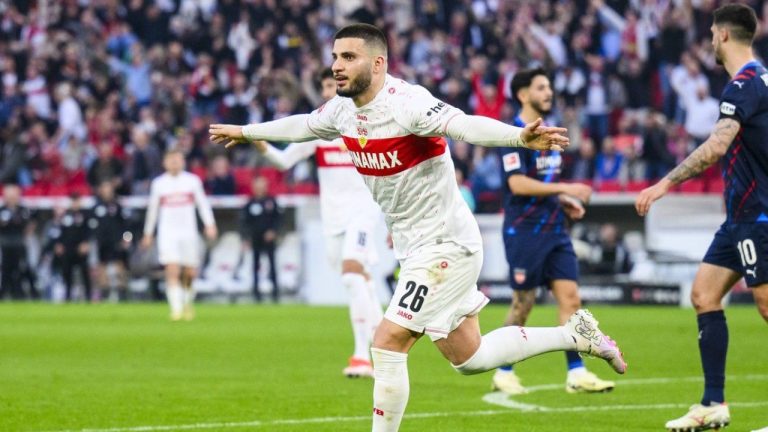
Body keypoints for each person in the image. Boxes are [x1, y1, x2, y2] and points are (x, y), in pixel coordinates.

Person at [210, 23, 625, 432]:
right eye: (335, 57)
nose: (337, 66)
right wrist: (247, 132)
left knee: (387, 341)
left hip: (446, 243)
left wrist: (519, 137)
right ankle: (575, 335)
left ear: (377, 64)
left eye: (348, 57)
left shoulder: (406, 103)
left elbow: (464, 124)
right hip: (415, 248)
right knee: (470, 358)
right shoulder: (341, 110)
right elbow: (302, 125)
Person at [635, 5, 768, 431]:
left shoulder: (742, 86)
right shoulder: (761, 79)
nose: (709, 39)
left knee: (766, 305)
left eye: (712, 32)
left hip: (757, 215)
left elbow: (715, 148)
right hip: (740, 217)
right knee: (704, 295)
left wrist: (662, 185)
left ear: (724, 36)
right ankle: (713, 403)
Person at [251, 68, 384, 377]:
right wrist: (261, 145)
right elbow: (284, 161)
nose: (330, 89)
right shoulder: (320, 128)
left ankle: (362, 355)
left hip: (364, 210)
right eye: (325, 85)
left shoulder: (367, 121)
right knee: (360, 281)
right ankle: (384, 342)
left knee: (352, 276)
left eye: (333, 83)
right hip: (333, 217)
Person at [492, 67, 615, 396]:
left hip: (555, 229)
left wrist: (561, 200)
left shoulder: (549, 134)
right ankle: (503, 371)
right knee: (523, 305)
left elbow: (541, 184)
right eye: (541, 87)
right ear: (522, 94)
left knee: (571, 300)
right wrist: (568, 187)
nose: (549, 93)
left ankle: (576, 372)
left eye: (550, 87)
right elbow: (517, 184)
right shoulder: (512, 134)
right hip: (524, 231)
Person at [142, 149, 217, 321]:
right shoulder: (159, 184)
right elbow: (152, 211)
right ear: (164, 162)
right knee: (172, 269)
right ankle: (176, 309)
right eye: (171, 159)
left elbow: (203, 204)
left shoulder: (192, 181)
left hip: (188, 233)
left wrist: (209, 224)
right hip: (167, 234)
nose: (174, 162)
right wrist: (148, 233)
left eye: (177, 159)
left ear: (182, 161)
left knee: (189, 272)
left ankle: (187, 302)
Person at [239, 176, 281, 303]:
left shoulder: (271, 201)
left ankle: (275, 293)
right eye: (257, 185)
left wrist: (273, 231)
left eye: (262, 185)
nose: (260, 188)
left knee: (272, 265)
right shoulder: (250, 203)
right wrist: (246, 237)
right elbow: (244, 222)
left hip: (269, 238)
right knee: (255, 265)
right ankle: (256, 294)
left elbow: (278, 219)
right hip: (255, 238)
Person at [90, 181, 130, 301]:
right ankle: (104, 293)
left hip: (117, 242)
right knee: (102, 267)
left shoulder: (118, 206)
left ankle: (122, 294)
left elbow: (126, 226)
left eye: (109, 188)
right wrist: (93, 240)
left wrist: (127, 238)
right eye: (105, 188)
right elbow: (92, 226)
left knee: (120, 266)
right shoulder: (96, 207)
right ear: (101, 190)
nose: (107, 191)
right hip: (103, 243)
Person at [0, 184, 38, 299]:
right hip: (5, 244)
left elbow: (32, 223)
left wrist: (27, 233)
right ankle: (4, 294)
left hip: (20, 243)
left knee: (23, 268)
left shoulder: (23, 210)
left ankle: (25, 293)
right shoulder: (2, 210)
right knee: (6, 270)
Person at [56, 193, 94, 302]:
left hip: (81, 248)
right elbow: (60, 232)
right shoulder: (65, 215)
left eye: (76, 201)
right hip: (68, 249)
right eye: (73, 201)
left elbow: (89, 231)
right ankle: (67, 296)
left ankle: (88, 296)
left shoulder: (85, 215)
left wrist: (86, 243)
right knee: (67, 273)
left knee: (84, 273)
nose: (75, 204)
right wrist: (59, 244)